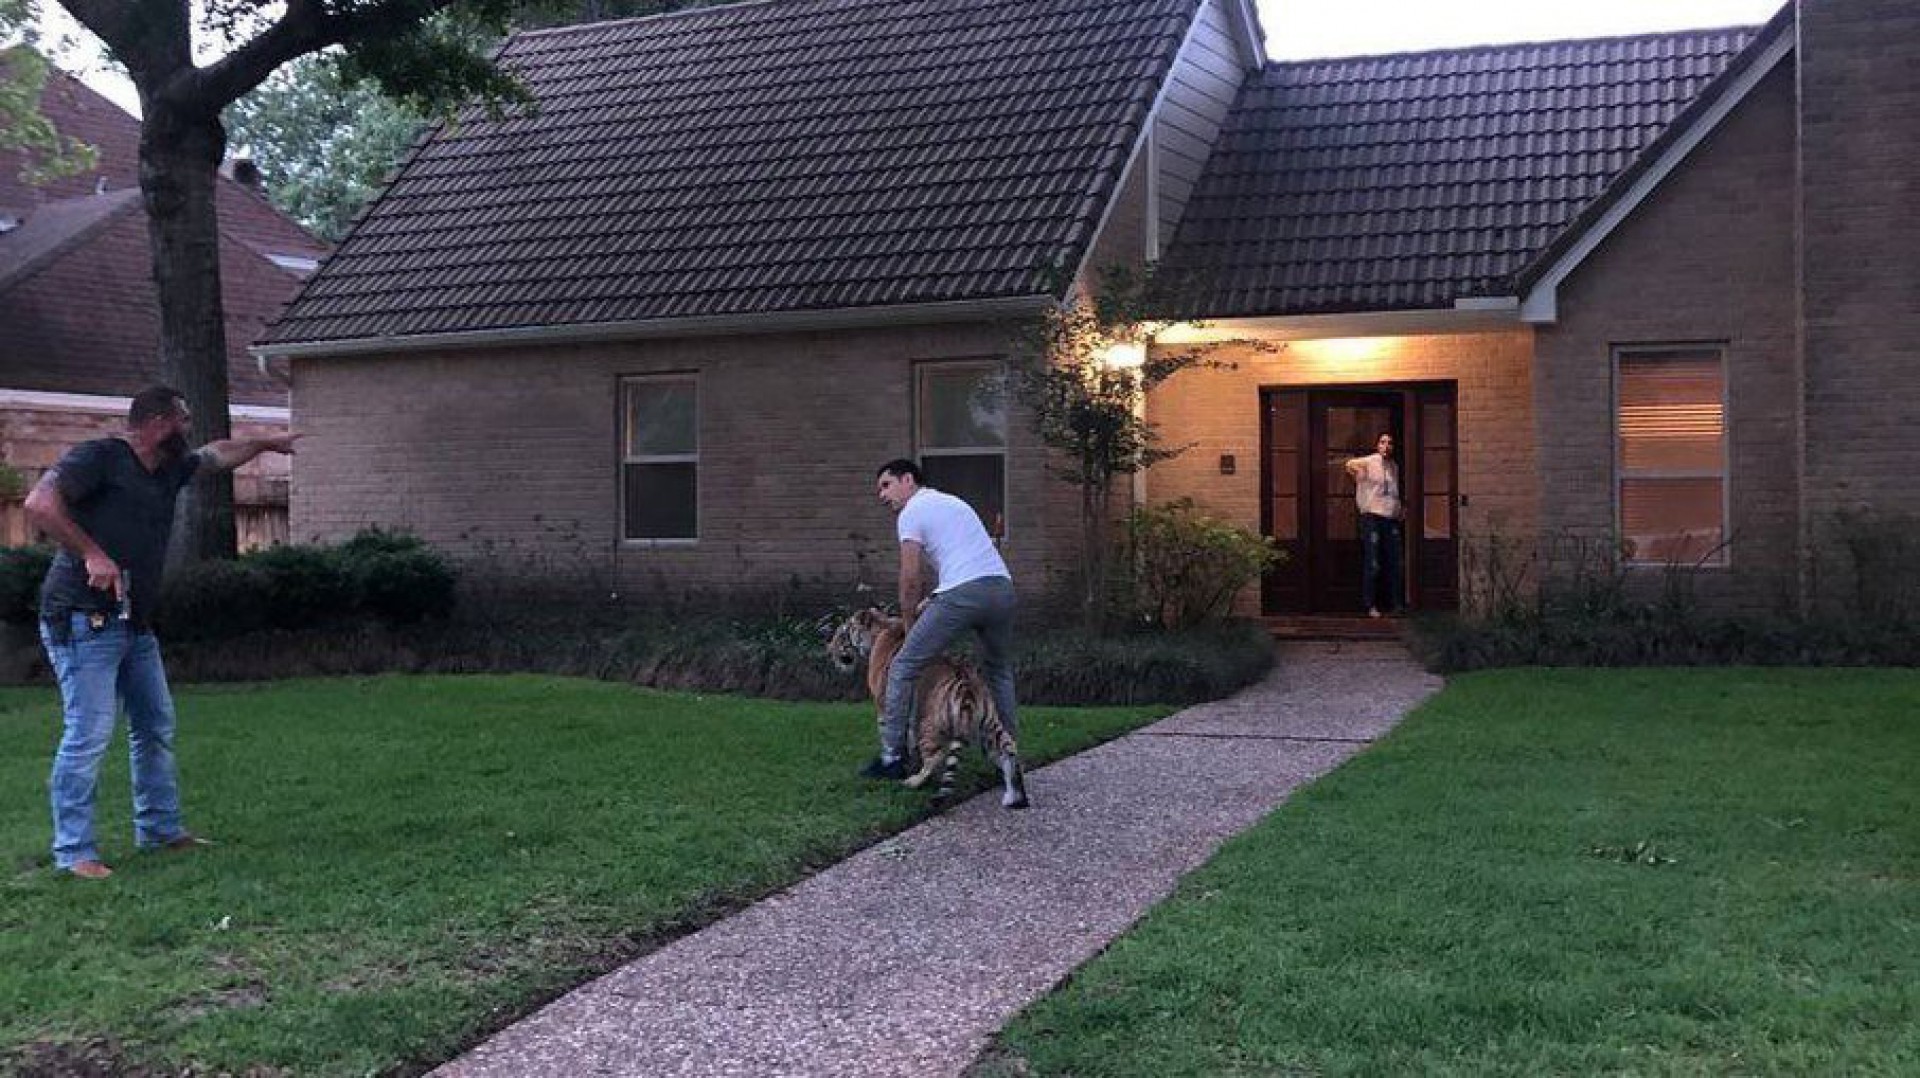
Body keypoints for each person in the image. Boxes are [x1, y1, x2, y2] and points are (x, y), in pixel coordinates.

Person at [23, 386, 298, 879]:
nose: (187, 430)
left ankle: (159, 831)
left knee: (154, 726)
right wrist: (91, 553)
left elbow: (215, 455)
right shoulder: (100, 458)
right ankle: (74, 852)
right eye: (182, 420)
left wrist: (265, 444)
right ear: (154, 422)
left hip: (134, 623)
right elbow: (40, 504)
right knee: (88, 734)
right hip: (83, 618)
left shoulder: (169, 470)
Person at [863, 459, 1021, 798]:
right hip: (1002, 589)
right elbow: (965, 561)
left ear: (908, 480)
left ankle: (892, 758)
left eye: (886, 485)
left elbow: (910, 580)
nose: (882, 495)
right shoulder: (953, 503)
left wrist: (909, 625)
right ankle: (1007, 755)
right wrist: (933, 602)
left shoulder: (912, 512)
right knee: (999, 671)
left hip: (964, 594)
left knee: (904, 665)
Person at [1343, 432, 1404, 618]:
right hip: (1372, 517)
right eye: (1383, 442)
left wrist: (1400, 510)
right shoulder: (1370, 461)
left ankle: (1395, 604)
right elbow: (1350, 465)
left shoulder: (1394, 467)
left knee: (1394, 561)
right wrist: (1356, 474)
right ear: (1377, 445)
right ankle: (1370, 604)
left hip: (1390, 518)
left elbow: (1394, 492)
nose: (1387, 446)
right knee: (1373, 562)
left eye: (1390, 443)